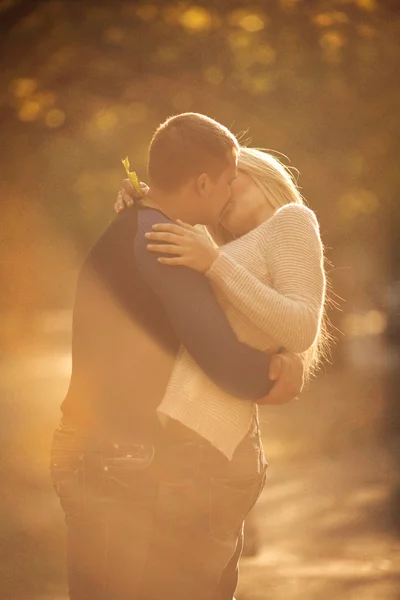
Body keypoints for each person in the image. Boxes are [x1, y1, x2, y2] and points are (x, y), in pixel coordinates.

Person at [51, 113, 304, 600]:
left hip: (104, 453)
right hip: (113, 458)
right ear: (204, 182)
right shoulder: (161, 237)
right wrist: (277, 372)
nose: (231, 193)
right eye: (229, 182)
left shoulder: (150, 226)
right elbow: (222, 358)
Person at [116, 143, 328, 572]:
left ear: (259, 173)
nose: (226, 190)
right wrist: (140, 214)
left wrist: (214, 262)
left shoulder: (291, 220)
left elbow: (302, 326)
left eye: (233, 176)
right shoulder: (228, 249)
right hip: (184, 441)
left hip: (204, 445)